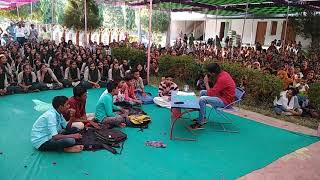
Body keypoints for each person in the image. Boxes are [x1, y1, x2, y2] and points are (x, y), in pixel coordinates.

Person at [190, 63, 235, 130]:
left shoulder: (222, 79)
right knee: (202, 92)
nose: (208, 74)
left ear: (213, 73)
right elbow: (214, 90)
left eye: (209, 72)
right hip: (221, 95)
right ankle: (203, 117)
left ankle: (200, 123)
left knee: (202, 99)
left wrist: (206, 83)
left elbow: (210, 93)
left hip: (226, 101)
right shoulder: (223, 73)